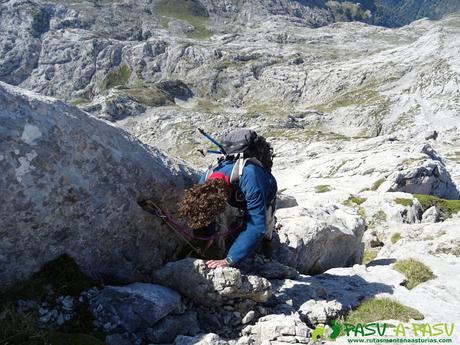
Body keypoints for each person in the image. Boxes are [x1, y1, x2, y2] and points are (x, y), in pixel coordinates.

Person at [178, 129, 278, 269]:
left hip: (265, 192)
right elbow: (204, 211)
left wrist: (230, 259)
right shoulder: (207, 177)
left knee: (264, 227)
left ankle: (268, 248)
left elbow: (256, 225)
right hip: (239, 191)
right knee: (244, 218)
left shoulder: (250, 176)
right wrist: (206, 238)